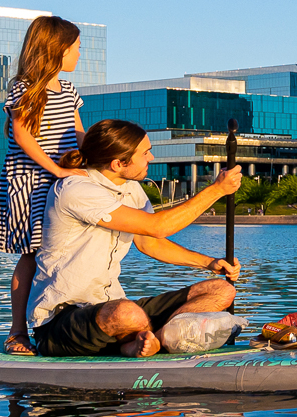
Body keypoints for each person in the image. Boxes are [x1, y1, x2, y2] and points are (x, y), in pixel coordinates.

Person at [28, 119, 243, 357]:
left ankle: (155, 340)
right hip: (62, 320)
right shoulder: (76, 190)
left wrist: (209, 263)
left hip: (111, 304)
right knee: (126, 313)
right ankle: (144, 340)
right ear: (118, 163)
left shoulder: (131, 188)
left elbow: (149, 242)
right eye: (145, 153)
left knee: (221, 290)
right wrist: (216, 190)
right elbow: (156, 227)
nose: (151, 158)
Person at [0, 16, 87, 356]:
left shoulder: (70, 91)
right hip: (30, 182)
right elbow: (23, 135)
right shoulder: (24, 87)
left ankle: (57, 324)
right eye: (77, 48)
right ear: (58, 50)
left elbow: (78, 134)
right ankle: (17, 332)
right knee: (32, 254)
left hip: (60, 181)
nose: (80, 54)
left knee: (59, 253)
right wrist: (56, 171)